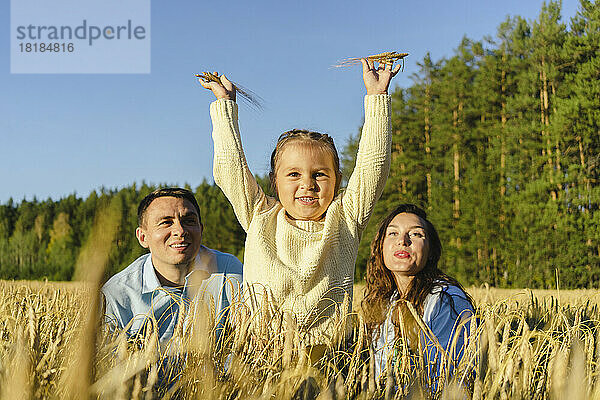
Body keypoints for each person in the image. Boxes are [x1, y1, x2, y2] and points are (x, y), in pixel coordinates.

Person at [199, 59, 400, 343]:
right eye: (293, 174)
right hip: (262, 356)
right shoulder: (260, 216)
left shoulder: (345, 219)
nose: (307, 183)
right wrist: (225, 106)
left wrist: (377, 97)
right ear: (275, 181)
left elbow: (373, 167)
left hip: (328, 359)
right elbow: (229, 169)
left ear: (338, 179)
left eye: (320, 174)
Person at [102, 187, 243, 348]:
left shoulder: (228, 271)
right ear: (143, 237)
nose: (180, 231)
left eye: (189, 221)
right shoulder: (117, 294)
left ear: (201, 229)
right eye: (166, 223)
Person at [362, 204, 474, 388]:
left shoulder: (445, 299)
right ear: (380, 248)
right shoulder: (384, 301)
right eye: (392, 233)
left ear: (430, 251)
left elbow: (446, 381)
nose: (402, 241)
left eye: (415, 234)